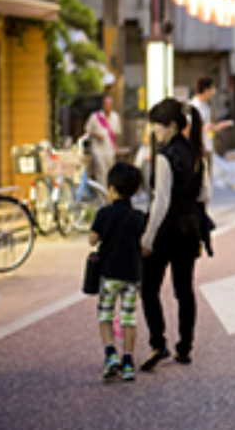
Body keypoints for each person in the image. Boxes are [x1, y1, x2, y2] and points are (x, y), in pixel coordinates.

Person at [139, 99, 206, 370]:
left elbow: (161, 201)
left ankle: (158, 342)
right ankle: (185, 348)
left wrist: (148, 237)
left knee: (149, 288)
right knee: (184, 290)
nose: (155, 130)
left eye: (158, 124)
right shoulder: (197, 153)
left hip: (166, 231)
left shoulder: (165, 156)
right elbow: (205, 194)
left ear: (173, 126)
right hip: (190, 230)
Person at [89, 162, 145, 382]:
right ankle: (128, 362)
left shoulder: (104, 214)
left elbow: (92, 240)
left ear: (111, 189)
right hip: (132, 275)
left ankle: (111, 353)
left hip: (109, 274)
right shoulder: (138, 217)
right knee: (129, 318)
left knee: (105, 315)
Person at [190, 77, 234, 172]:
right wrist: (204, 128)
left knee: (206, 178)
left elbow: (208, 127)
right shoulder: (194, 106)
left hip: (207, 146)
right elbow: (190, 127)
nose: (214, 92)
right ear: (206, 90)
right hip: (198, 148)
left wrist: (219, 126)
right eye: (213, 89)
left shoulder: (205, 106)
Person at [85, 95, 122, 187]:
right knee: (100, 172)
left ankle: (108, 193)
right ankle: (101, 196)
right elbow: (87, 130)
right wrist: (96, 135)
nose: (107, 106)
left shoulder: (115, 117)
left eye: (109, 104)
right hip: (98, 150)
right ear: (103, 105)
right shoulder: (95, 116)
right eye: (105, 104)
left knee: (110, 172)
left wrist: (115, 146)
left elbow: (116, 133)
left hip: (110, 150)